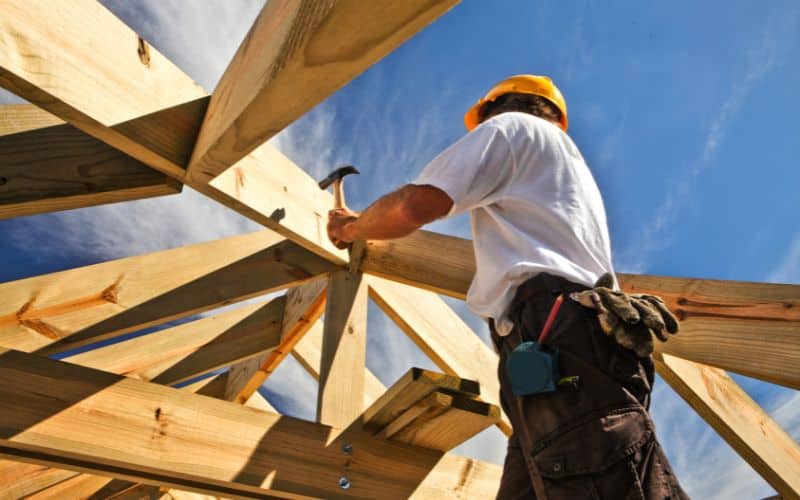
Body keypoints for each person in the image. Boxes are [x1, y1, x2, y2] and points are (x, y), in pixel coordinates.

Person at [327, 74, 687, 499]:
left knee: (596, 476)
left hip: (557, 334)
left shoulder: (513, 129)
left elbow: (414, 205)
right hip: (558, 350)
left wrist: (351, 228)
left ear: (497, 109)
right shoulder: (564, 171)